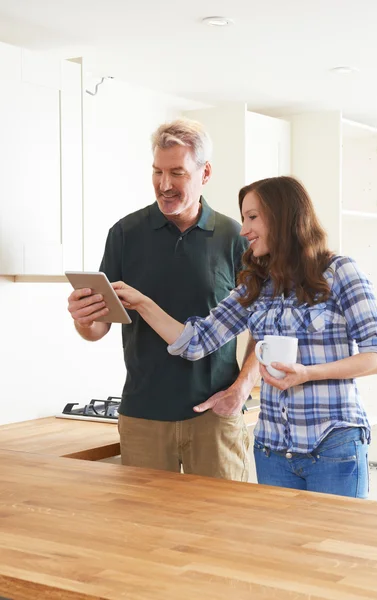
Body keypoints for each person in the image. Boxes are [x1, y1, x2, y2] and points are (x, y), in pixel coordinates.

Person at [111, 175, 377, 499]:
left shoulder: (339, 271)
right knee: (278, 551)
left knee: (335, 548)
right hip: (273, 451)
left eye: (252, 217)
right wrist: (143, 303)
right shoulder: (257, 285)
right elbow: (194, 341)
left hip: (333, 446)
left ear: (282, 216)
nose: (244, 229)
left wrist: (308, 374)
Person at [68, 118, 260, 481]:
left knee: (222, 529)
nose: (164, 184)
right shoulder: (125, 234)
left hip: (215, 417)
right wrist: (82, 319)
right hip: (143, 416)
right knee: (144, 533)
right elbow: (98, 328)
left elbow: (263, 327)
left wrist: (240, 390)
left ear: (205, 172)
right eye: (157, 171)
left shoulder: (235, 238)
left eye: (177, 172)